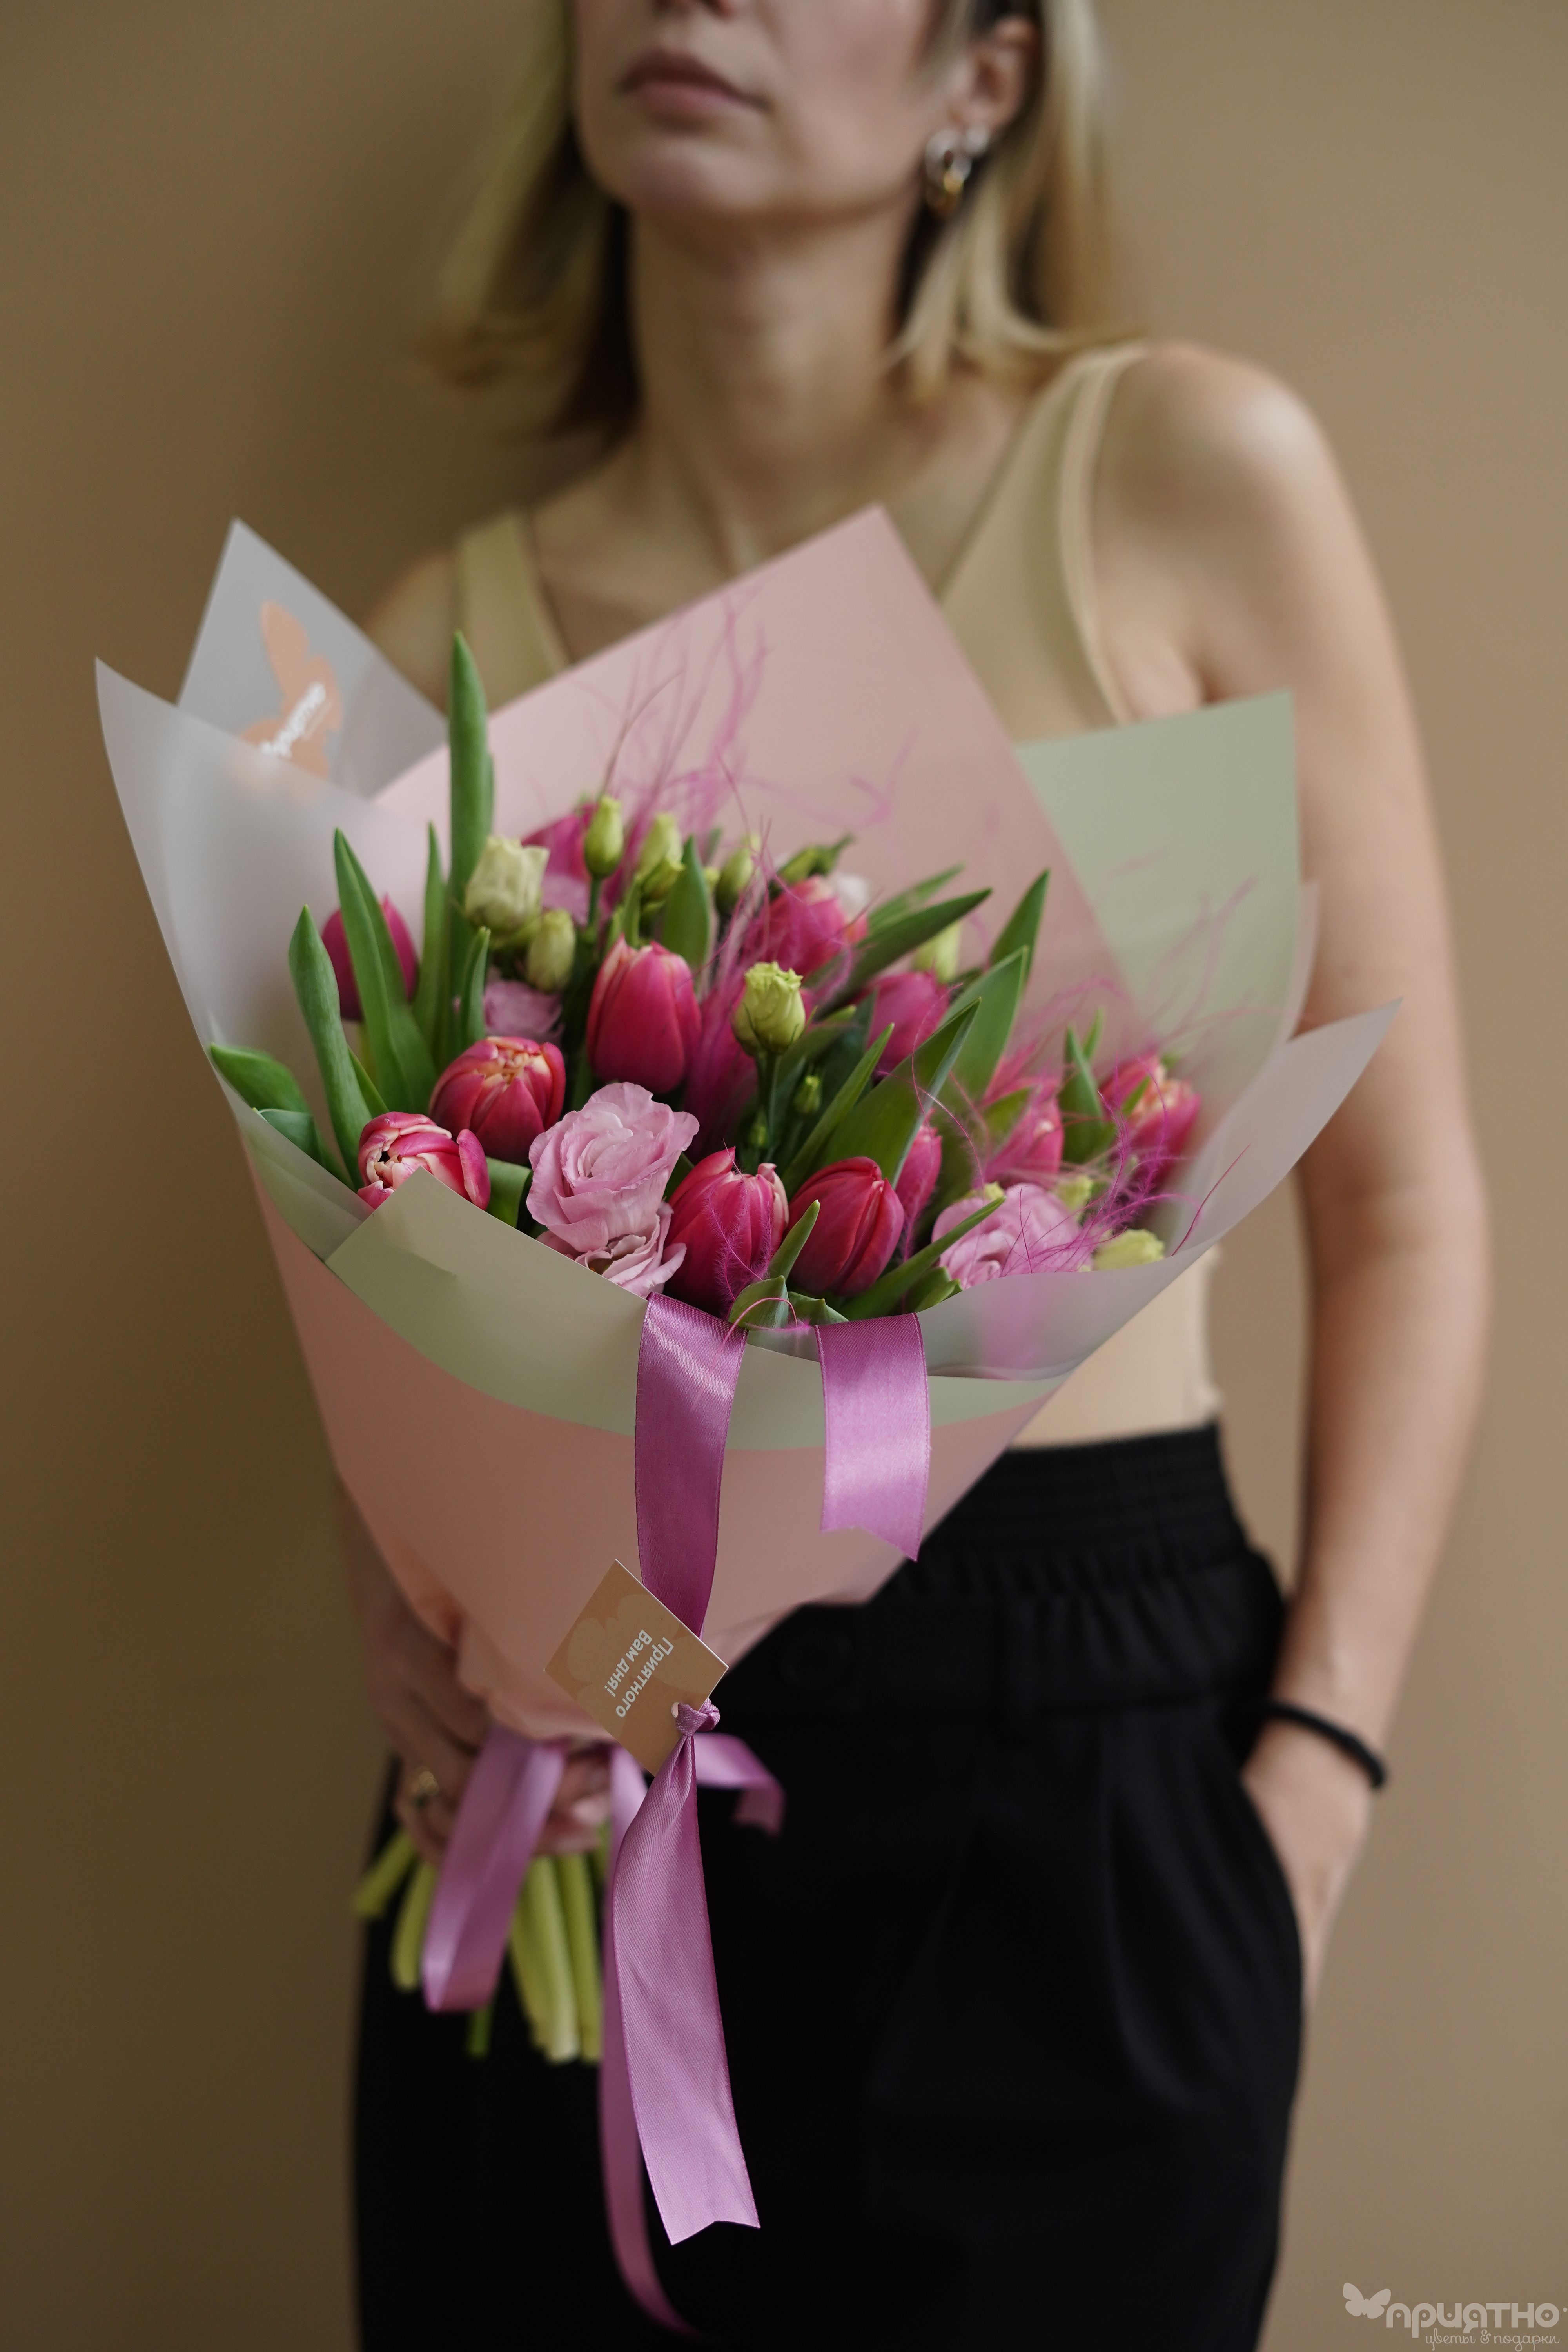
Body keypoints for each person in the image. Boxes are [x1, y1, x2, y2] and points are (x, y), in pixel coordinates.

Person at [346, 4, 1490, 2346]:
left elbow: (1401, 1203)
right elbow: (397, 1309)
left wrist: (1308, 1801)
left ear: (989, 68)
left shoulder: (1177, 477)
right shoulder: (422, 651)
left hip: (1084, 1768)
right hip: (589, 1774)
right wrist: (411, 1622)